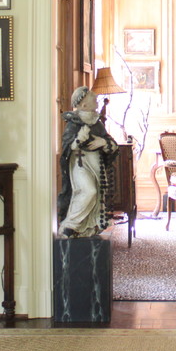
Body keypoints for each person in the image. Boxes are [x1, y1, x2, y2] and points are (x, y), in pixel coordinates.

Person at [57, 86, 120, 238]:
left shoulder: (97, 123)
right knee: (88, 191)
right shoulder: (74, 123)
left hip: (95, 164)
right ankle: (70, 225)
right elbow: (68, 146)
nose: (96, 99)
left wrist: (102, 142)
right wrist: (79, 139)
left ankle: (86, 227)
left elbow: (111, 142)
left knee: (96, 193)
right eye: (93, 98)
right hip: (79, 163)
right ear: (84, 105)